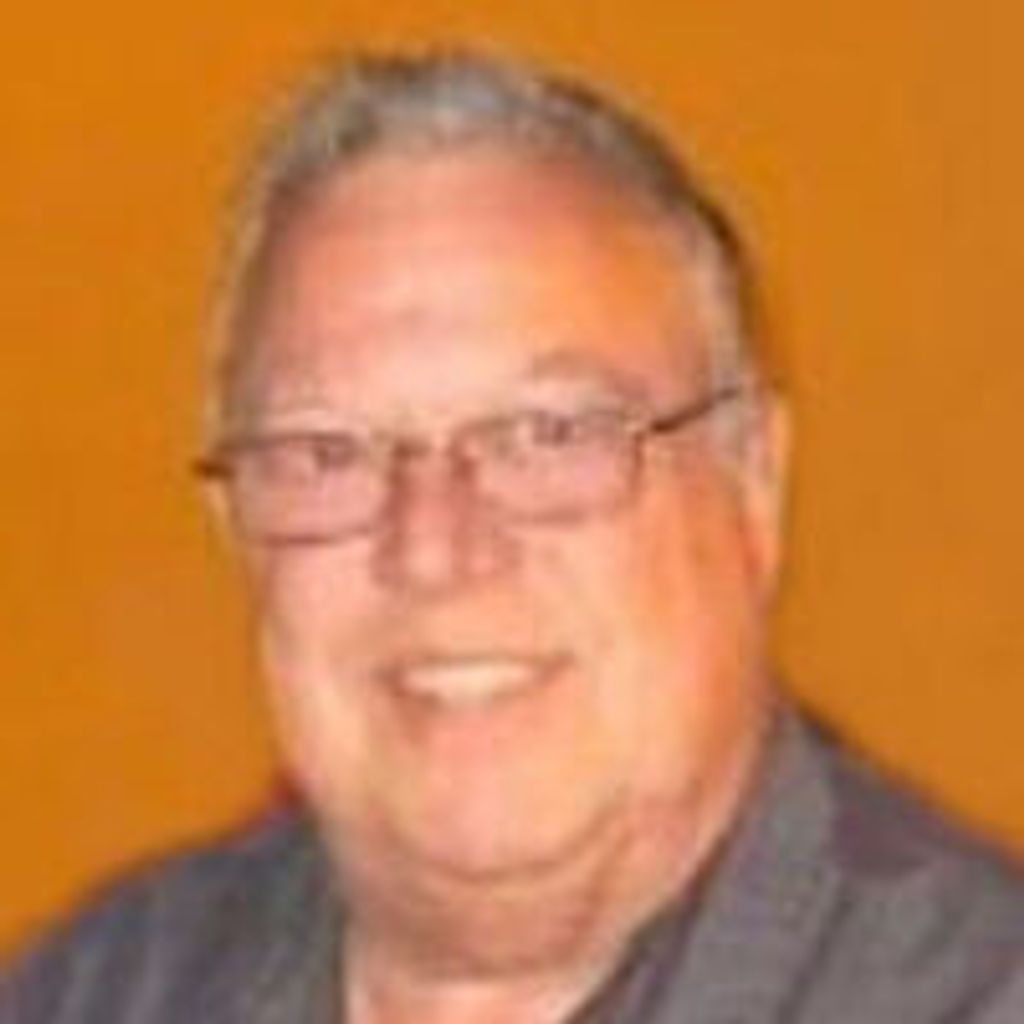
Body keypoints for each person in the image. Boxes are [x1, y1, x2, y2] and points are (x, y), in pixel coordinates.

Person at [2, 48, 1023, 1024]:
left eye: (548, 435)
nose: (434, 549)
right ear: (237, 528)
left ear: (751, 482)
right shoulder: (98, 991)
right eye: (327, 451)